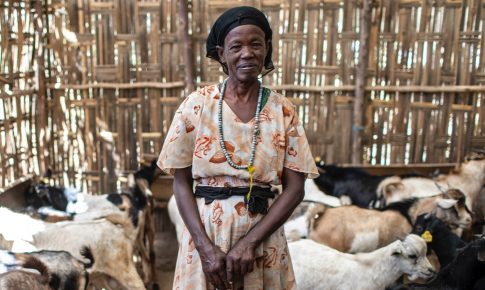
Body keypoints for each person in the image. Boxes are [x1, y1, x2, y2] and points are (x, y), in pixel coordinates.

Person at [157, 6, 318, 290]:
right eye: (236, 46)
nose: (247, 53)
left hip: (263, 237)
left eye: (256, 44)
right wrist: (205, 249)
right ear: (221, 54)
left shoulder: (283, 111)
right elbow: (180, 183)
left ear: (266, 48)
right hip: (205, 236)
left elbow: (295, 189)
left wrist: (250, 243)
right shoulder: (196, 106)